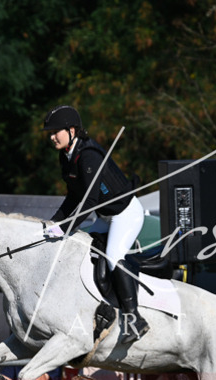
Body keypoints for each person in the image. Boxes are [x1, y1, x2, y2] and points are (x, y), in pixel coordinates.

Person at [42, 105, 148, 344]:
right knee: (81, 249)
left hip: (125, 214)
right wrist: (53, 222)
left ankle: (135, 319)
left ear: (71, 130)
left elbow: (89, 199)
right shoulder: (66, 156)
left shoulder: (88, 155)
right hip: (104, 216)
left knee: (112, 256)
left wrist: (66, 228)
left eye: (55, 131)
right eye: (49, 132)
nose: (51, 137)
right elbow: (72, 197)